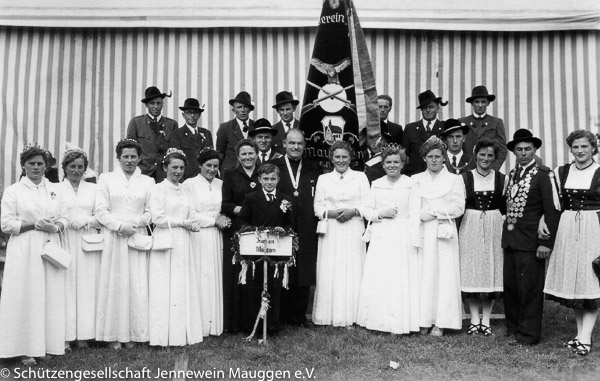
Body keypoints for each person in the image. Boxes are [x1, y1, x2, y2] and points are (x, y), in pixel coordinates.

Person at [0, 143, 68, 364]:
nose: (37, 167)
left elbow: (65, 217)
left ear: (46, 166)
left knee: (49, 295)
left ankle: (46, 345)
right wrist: (34, 224)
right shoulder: (13, 191)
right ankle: (23, 348)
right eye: (32, 164)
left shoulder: (56, 189)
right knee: (26, 295)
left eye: (40, 164)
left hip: (50, 246)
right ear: (23, 166)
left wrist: (56, 226)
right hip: (24, 248)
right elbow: (6, 224)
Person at [501, 129, 560, 345]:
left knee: (530, 289)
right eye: (519, 150)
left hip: (532, 242)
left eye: (527, 149)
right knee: (512, 287)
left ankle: (528, 334)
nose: (523, 153)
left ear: (535, 150)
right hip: (510, 240)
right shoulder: (511, 175)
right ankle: (513, 328)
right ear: (514, 152)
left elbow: (552, 210)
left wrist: (545, 243)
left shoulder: (545, 175)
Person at [95, 139, 155, 349]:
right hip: (114, 236)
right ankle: (113, 335)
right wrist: (119, 226)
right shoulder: (106, 178)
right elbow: (100, 211)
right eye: (125, 157)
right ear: (118, 158)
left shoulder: (147, 181)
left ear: (140, 158)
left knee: (137, 284)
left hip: (136, 236)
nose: (129, 161)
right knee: (114, 284)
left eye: (133, 157)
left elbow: (151, 212)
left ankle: (134, 334)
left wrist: (135, 224)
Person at [544, 130, 600, 356]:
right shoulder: (561, 172)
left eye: (584, 147)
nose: (580, 151)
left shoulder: (599, 171)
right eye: (575, 147)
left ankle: (585, 337)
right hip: (568, 227)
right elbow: (554, 203)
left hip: (593, 227)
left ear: (593, 148)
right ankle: (579, 335)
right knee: (576, 284)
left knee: (590, 281)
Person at [357, 144, 421, 334]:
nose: (392, 165)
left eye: (396, 162)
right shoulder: (376, 184)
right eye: (388, 162)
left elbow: (415, 213)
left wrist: (413, 238)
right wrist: (379, 213)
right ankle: (378, 321)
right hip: (382, 235)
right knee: (380, 276)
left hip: (402, 235)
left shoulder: (411, 184)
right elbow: (365, 209)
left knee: (398, 278)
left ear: (403, 164)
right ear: (383, 164)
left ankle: (398, 323)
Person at [147, 148, 203, 346]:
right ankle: (164, 335)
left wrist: (193, 222)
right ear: (164, 168)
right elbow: (158, 218)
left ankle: (183, 332)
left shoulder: (186, 188)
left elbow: (193, 211)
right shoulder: (158, 189)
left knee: (182, 283)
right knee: (166, 285)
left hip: (185, 240)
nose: (178, 171)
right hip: (166, 238)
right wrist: (183, 222)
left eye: (181, 168)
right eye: (174, 167)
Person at [312, 141, 370, 327]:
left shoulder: (361, 177)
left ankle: (352, 316)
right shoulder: (324, 179)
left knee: (352, 269)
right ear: (331, 158)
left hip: (353, 227)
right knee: (332, 269)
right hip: (332, 230)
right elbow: (317, 207)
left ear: (351, 158)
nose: (341, 160)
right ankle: (329, 315)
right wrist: (332, 213)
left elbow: (368, 205)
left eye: (344, 156)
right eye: (337, 157)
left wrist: (353, 211)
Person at [413, 136, 465, 336]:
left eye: (438, 156)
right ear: (424, 158)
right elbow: (410, 207)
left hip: (444, 231)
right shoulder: (417, 179)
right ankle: (424, 319)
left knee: (444, 276)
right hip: (424, 230)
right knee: (425, 275)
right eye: (430, 156)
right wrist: (420, 214)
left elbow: (458, 206)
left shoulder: (454, 179)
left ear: (444, 158)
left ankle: (441, 322)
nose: (434, 160)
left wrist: (438, 212)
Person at [271, 129, 322, 327]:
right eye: (292, 143)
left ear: (304, 145)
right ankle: (282, 314)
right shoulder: (274, 166)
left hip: (307, 224)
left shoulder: (313, 166)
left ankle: (299, 316)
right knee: (283, 265)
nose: (296, 147)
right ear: (284, 143)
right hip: (283, 223)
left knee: (304, 267)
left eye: (300, 143)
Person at [238, 163, 294, 333]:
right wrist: (254, 231)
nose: (269, 182)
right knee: (255, 286)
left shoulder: (285, 199)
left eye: (273, 179)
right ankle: (252, 324)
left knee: (274, 287)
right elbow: (242, 220)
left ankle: (272, 325)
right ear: (259, 180)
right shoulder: (251, 198)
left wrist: (283, 230)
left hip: (275, 251)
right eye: (266, 179)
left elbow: (290, 222)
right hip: (256, 250)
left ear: (278, 180)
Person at [458, 139, 505, 336]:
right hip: (471, 224)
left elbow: (505, 207)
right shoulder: (464, 178)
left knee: (490, 269)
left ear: (495, 158)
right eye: (482, 155)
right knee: (472, 268)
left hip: (494, 225)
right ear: (476, 155)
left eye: (490, 156)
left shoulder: (502, 178)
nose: (486, 159)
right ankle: (474, 317)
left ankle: (486, 318)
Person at [184, 149, 231, 336]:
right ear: (200, 165)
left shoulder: (222, 184)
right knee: (201, 277)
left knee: (216, 277)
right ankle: (201, 325)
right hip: (199, 235)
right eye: (208, 166)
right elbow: (190, 213)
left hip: (218, 236)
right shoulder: (189, 184)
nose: (211, 169)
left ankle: (216, 324)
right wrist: (214, 221)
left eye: (215, 166)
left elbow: (226, 206)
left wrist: (224, 218)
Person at [61, 149, 101, 349]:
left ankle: (85, 334)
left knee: (87, 286)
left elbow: (101, 215)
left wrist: (86, 219)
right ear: (65, 168)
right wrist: (67, 221)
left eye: (80, 167)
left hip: (87, 240)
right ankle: (66, 335)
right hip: (65, 239)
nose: (76, 171)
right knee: (66, 286)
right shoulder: (56, 189)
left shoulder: (93, 189)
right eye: (72, 167)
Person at [221, 139, 260, 331]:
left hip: (259, 229)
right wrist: (246, 210)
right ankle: (236, 323)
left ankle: (256, 321)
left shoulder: (264, 173)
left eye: (250, 153)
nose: (247, 157)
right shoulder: (230, 175)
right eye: (243, 154)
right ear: (238, 156)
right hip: (237, 230)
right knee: (238, 275)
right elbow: (226, 204)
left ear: (257, 154)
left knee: (256, 276)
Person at [126, 86, 178, 182]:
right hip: (143, 172)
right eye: (152, 103)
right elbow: (130, 149)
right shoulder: (136, 122)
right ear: (146, 105)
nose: (155, 106)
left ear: (162, 104)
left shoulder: (171, 124)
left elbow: (174, 151)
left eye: (158, 103)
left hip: (164, 173)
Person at [458, 86, 507, 171]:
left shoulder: (496, 123)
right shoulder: (462, 122)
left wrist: (492, 169)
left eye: (483, 102)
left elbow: (502, 150)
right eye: (477, 102)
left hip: (488, 169)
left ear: (488, 103)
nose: (480, 105)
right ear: (472, 103)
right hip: (467, 170)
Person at [403, 90, 447, 176]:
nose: (428, 110)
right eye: (424, 107)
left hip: (438, 176)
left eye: (431, 107)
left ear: (438, 108)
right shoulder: (410, 128)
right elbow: (404, 156)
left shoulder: (444, 127)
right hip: (415, 176)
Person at [169, 98, 214, 180]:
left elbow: (212, 158)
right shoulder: (177, 134)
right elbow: (175, 159)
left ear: (199, 115)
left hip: (205, 177)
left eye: (195, 112)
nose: (192, 115)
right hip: (186, 178)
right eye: (189, 112)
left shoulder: (206, 133)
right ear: (183, 115)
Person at [216, 91, 256, 171]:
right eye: (239, 107)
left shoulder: (256, 126)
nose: (242, 110)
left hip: (252, 170)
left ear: (250, 109)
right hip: (231, 171)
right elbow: (220, 154)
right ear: (233, 110)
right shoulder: (225, 128)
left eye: (245, 107)